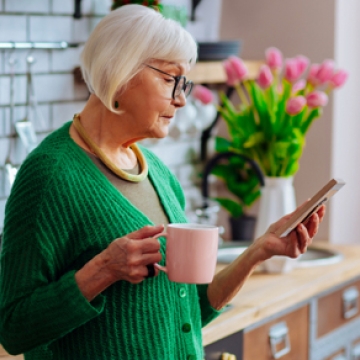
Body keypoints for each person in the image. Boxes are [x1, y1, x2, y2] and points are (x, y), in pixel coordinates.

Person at [0, 5, 325, 360]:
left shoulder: (156, 171)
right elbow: (13, 329)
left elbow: (186, 312)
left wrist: (258, 251)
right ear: (120, 71)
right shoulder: (49, 175)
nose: (182, 99)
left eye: (183, 83)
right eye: (171, 79)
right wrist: (104, 269)